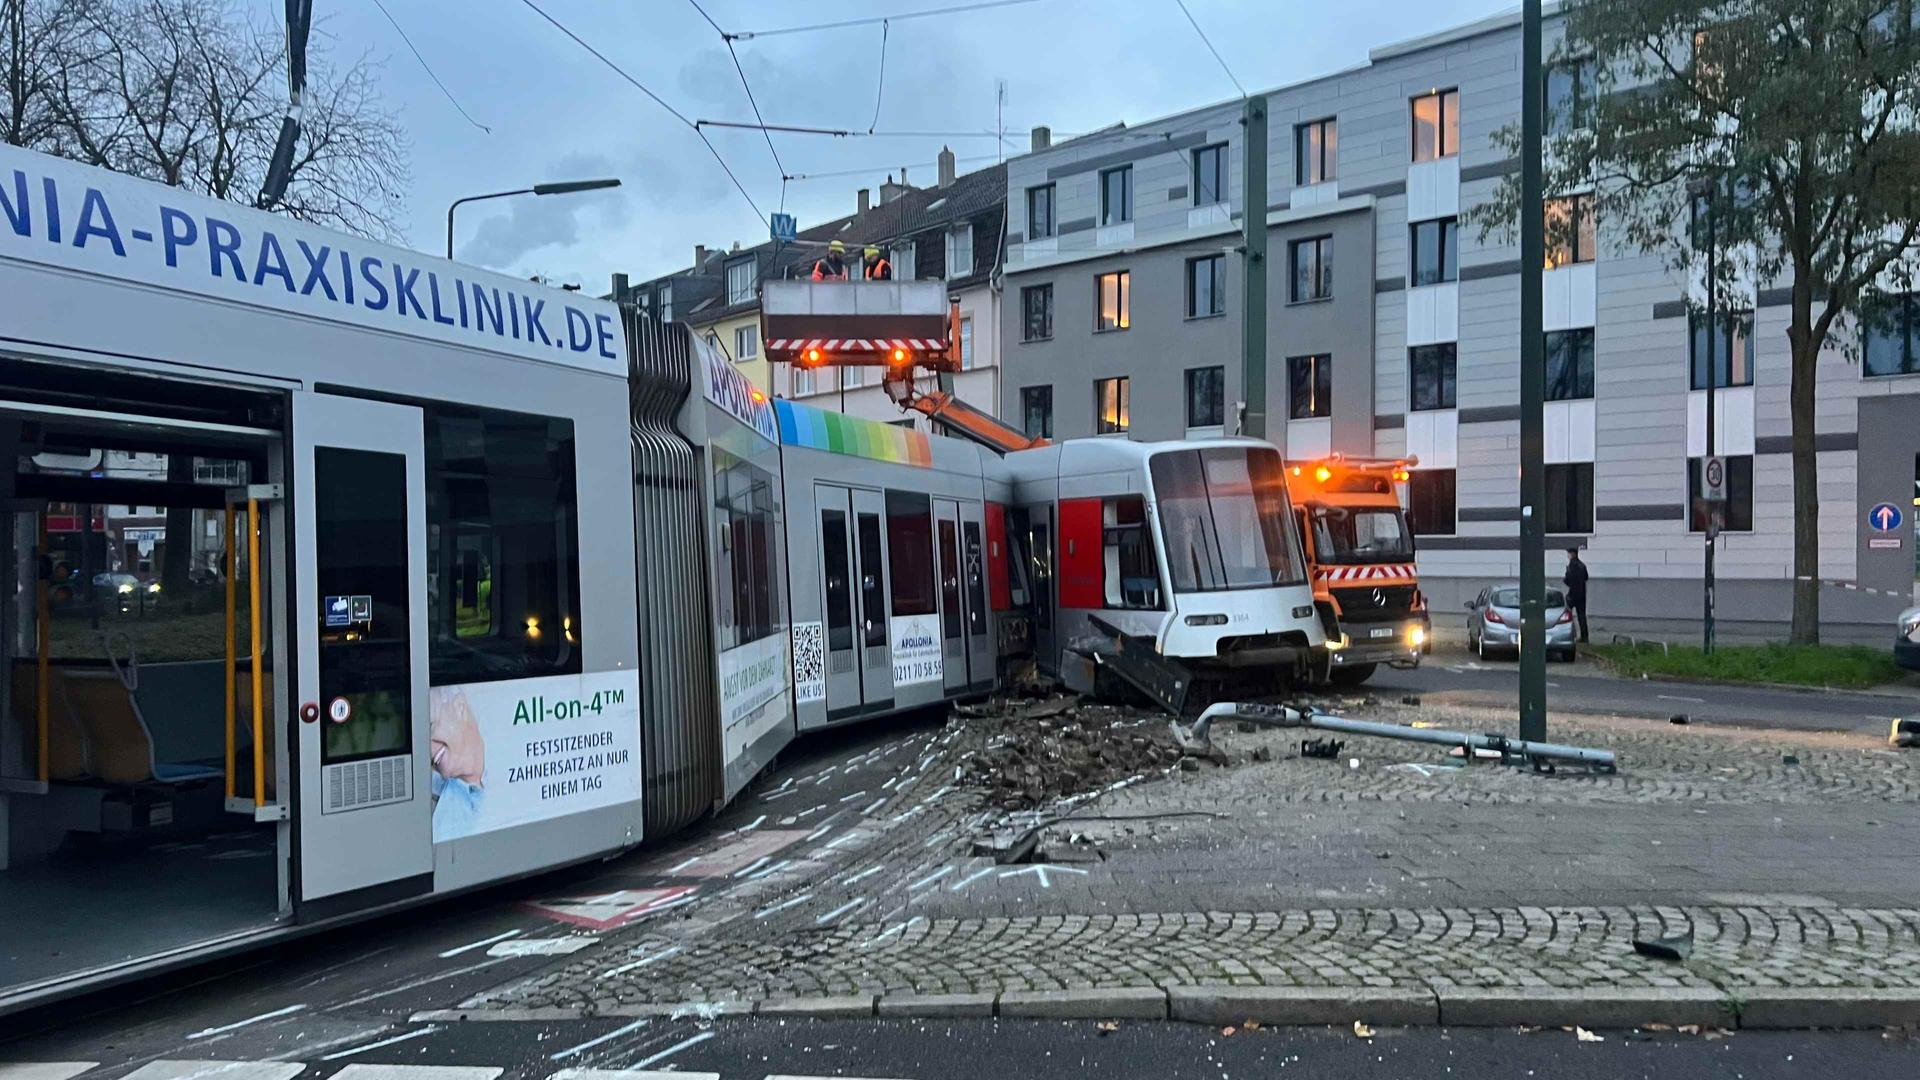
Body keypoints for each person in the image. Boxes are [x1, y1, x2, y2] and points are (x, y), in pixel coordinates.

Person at [1563, 547, 1590, 644]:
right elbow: (1586, 577)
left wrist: (1566, 578)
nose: (1568, 556)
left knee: (1565, 614)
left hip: (1572, 594)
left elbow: (1568, 581)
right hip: (1582, 594)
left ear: (1572, 554)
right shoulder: (1582, 565)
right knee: (1581, 616)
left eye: (1569, 554)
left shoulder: (1571, 566)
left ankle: (1568, 635)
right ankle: (1584, 637)